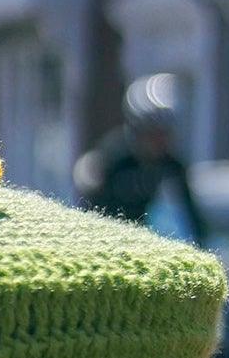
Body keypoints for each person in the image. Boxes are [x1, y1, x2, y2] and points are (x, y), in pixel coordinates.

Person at [75, 76, 206, 239]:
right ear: (136, 130)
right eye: (152, 133)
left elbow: (193, 222)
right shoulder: (112, 159)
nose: (159, 141)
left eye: (165, 133)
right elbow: (91, 210)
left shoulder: (173, 168)